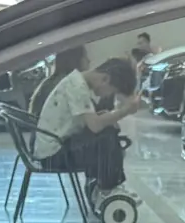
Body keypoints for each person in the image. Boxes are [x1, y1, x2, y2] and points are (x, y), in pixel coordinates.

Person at [34, 57, 139, 207]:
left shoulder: (76, 82)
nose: (105, 96)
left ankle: (105, 186)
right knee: (106, 136)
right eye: (111, 91)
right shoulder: (77, 87)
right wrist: (125, 111)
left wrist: (106, 117)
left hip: (55, 148)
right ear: (105, 79)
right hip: (53, 156)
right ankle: (108, 189)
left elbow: (87, 121)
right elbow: (95, 125)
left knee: (107, 130)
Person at [29, 45, 89, 116]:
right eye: (85, 57)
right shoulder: (72, 84)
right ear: (77, 60)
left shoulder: (48, 83)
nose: (89, 61)